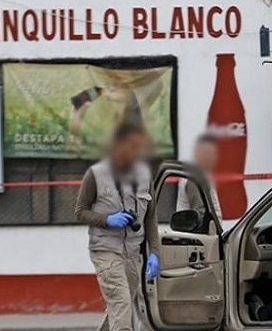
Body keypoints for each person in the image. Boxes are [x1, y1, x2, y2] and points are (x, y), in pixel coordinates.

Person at [75, 123, 161, 331]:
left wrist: (154, 253)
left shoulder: (145, 175)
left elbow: (150, 218)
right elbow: (80, 211)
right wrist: (107, 219)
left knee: (120, 308)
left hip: (132, 253)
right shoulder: (95, 174)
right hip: (106, 251)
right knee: (121, 304)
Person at [176, 133, 223, 220]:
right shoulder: (195, 179)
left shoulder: (203, 174)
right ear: (197, 153)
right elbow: (201, 217)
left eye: (213, 153)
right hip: (201, 232)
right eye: (207, 153)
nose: (211, 157)